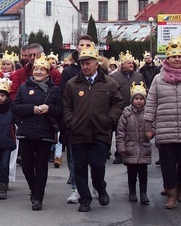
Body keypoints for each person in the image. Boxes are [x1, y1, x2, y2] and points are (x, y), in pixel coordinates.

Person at [144, 36, 181, 209]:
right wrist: (148, 124)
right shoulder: (158, 79)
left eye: (179, 56)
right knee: (168, 163)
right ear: (167, 59)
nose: (176, 59)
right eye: (173, 56)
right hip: (165, 127)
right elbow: (151, 102)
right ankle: (171, 194)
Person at [63, 45, 123, 212]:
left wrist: (109, 120)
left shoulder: (109, 83)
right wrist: (71, 121)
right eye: (82, 64)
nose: (85, 67)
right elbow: (66, 105)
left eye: (88, 63)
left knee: (97, 165)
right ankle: (85, 199)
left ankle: (100, 187)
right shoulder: (72, 84)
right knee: (80, 167)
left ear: (97, 63)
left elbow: (118, 103)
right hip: (78, 132)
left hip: (100, 132)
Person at [11, 54, 63, 211]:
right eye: (36, 69)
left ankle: (38, 197)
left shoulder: (54, 90)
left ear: (48, 73)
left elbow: (61, 111)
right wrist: (32, 109)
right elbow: (14, 107)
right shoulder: (23, 88)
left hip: (45, 132)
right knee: (26, 165)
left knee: (41, 166)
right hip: (26, 131)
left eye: (42, 69)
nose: (38, 71)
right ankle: (34, 189)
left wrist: (50, 109)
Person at [58, 35, 94, 204]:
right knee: (75, 159)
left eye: (88, 44)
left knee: (95, 159)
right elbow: (64, 98)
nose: (84, 47)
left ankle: (94, 185)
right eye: (82, 44)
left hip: (96, 124)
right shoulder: (69, 71)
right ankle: (76, 188)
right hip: (75, 125)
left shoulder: (100, 71)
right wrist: (68, 121)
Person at [116, 82, 152, 204]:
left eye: (141, 98)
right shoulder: (126, 113)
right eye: (136, 98)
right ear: (132, 99)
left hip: (144, 147)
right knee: (131, 173)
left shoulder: (148, 113)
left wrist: (152, 133)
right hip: (130, 148)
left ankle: (143, 193)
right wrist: (121, 147)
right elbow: (120, 131)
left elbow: (154, 125)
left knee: (143, 173)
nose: (139, 101)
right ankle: (132, 192)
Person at [110, 51, 144, 164]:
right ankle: (119, 153)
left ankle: (134, 152)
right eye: (128, 63)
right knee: (120, 132)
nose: (131, 65)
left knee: (133, 131)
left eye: (132, 63)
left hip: (136, 109)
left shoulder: (138, 76)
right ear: (123, 65)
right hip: (120, 108)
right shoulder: (114, 77)